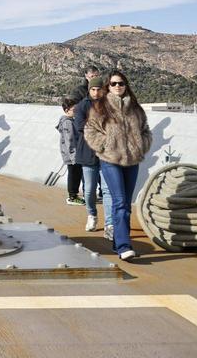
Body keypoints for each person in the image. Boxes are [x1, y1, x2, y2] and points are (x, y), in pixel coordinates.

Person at [83, 70, 151, 262]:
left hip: (132, 161)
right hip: (110, 161)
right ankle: (124, 246)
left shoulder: (136, 109)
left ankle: (117, 242)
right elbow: (90, 131)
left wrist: (141, 145)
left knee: (125, 204)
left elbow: (145, 130)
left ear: (126, 85)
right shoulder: (100, 108)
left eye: (121, 83)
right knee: (120, 202)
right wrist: (105, 145)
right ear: (108, 87)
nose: (118, 86)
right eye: (113, 84)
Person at [73, 74, 112, 233]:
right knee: (89, 190)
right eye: (93, 89)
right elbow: (80, 126)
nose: (96, 92)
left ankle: (110, 223)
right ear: (89, 90)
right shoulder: (81, 107)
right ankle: (92, 215)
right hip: (88, 154)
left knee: (107, 189)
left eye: (98, 89)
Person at [57, 97, 83, 206]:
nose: (76, 111)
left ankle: (74, 195)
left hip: (73, 154)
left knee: (75, 174)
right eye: (74, 110)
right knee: (74, 175)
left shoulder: (70, 121)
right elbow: (70, 140)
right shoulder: (68, 122)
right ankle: (72, 197)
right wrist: (74, 157)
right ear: (67, 110)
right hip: (72, 155)